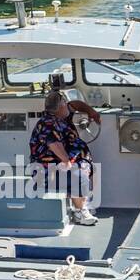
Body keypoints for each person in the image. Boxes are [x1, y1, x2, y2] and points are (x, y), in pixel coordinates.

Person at [29, 88, 101, 225]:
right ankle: (80, 212)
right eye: (64, 102)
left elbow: (76, 104)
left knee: (85, 168)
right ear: (60, 106)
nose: (67, 104)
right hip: (46, 169)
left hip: (65, 161)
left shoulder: (62, 115)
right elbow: (55, 145)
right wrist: (68, 162)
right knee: (79, 176)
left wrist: (92, 112)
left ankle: (82, 202)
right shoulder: (48, 124)